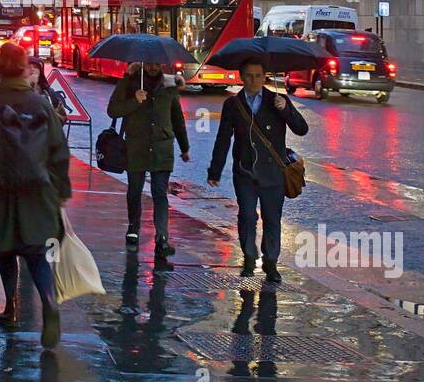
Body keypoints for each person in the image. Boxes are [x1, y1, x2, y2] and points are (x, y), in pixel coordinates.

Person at [0, 41, 71, 348]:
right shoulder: (41, 105)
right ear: (25, 69)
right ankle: (48, 302)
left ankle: (10, 306)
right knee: (37, 252)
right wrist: (61, 189)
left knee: (6, 250)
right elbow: (58, 151)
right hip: (37, 190)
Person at [207, 57, 308, 284]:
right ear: (242, 77)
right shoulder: (233, 105)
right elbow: (223, 139)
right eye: (249, 76)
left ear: (265, 77)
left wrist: (287, 111)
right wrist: (215, 171)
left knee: (272, 219)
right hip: (245, 172)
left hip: (273, 174)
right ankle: (249, 257)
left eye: (258, 76)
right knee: (247, 215)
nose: (254, 80)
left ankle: (271, 263)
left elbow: (302, 129)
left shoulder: (277, 100)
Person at [107, 63, 190, 257]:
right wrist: (135, 101)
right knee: (135, 191)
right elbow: (113, 110)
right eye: (149, 62)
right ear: (142, 62)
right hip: (136, 147)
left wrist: (184, 147)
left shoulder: (170, 85)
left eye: (157, 63)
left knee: (160, 193)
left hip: (162, 148)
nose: (153, 67)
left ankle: (162, 237)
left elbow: (177, 118)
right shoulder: (129, 82)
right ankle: (133, 228)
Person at [27, 57, 69, 125]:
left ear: (40, 71)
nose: (32, 69)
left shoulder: (48, 92)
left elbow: (62, 118)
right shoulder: (17, 92)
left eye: (35, 67)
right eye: (28, 67)